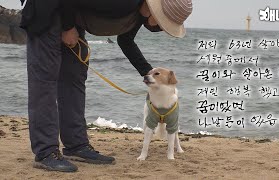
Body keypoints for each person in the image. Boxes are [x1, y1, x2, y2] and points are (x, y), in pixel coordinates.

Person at [20, 0, 192, 172]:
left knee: (74, 79)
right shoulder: (122, 3)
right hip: (47, 9)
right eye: (162, 25)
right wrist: (67, 26)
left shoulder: (140, 12)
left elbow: (125, 40)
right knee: (44, 83)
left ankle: (76, 145)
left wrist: (151, 76)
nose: (160, 29)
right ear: (155, 12)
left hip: (71, 16)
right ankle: (45, 152)